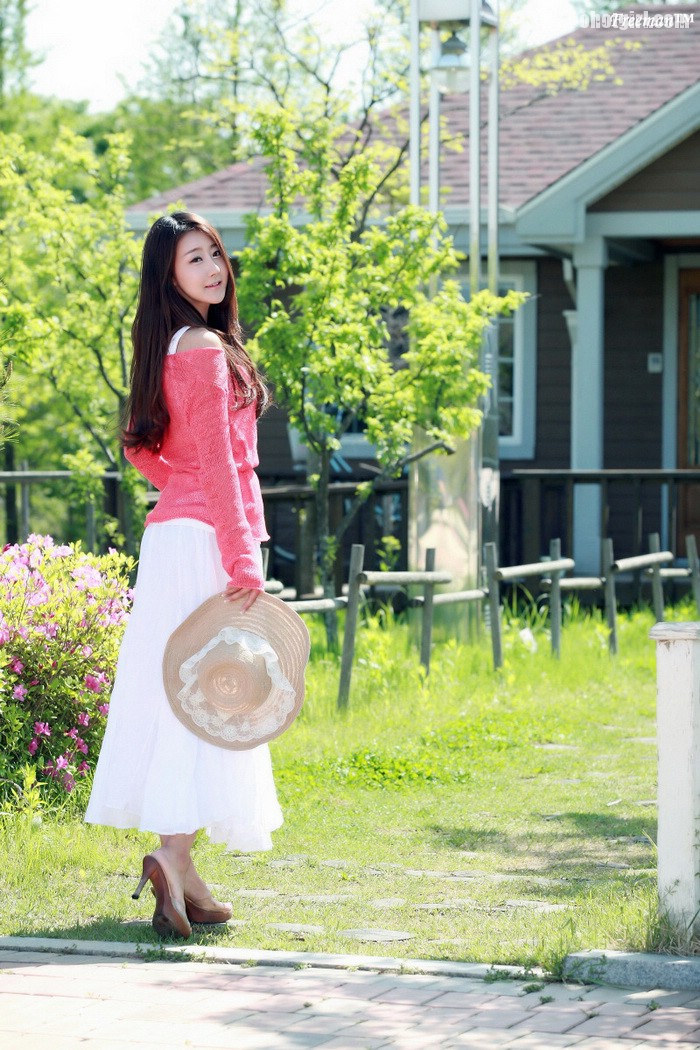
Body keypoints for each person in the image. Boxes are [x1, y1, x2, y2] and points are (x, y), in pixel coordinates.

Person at [85, 211, 282, 939]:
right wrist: (241, 555)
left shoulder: (174, 343)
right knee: (207, 697)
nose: (211, 269)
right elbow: (225, 475)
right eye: (192, 259)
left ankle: (180, 867)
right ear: (167, 275)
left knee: (191, 696)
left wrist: (180, 484)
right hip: (202, 541)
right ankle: (174, 860)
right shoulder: (200, 347)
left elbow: (141, 445)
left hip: (180, 533)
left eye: (215, 255)